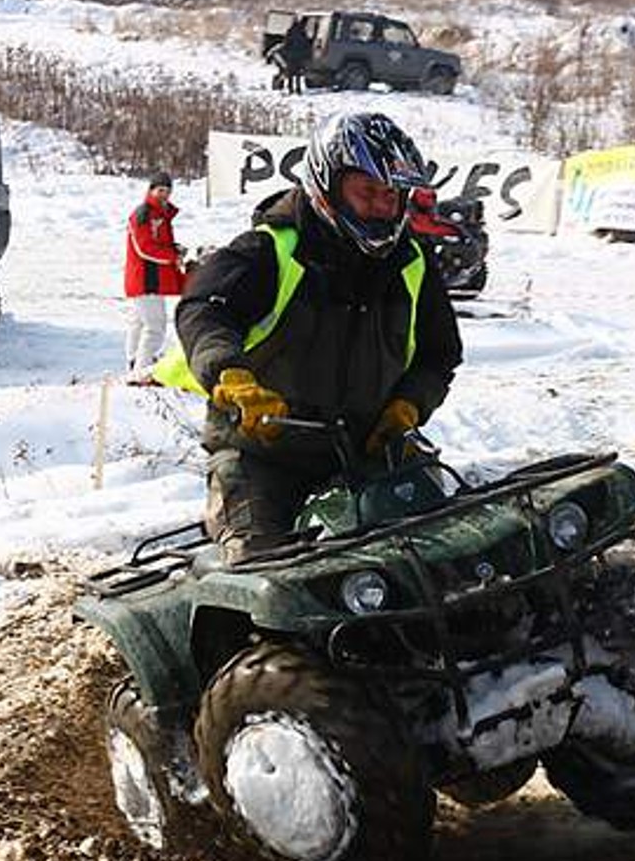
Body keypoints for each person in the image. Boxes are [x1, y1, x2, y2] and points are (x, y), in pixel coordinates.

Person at [154, 111, 462, 562]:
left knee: (449, 550)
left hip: (369, 446)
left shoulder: (410, 262)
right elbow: (204, 310)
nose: (382, 207)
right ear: (327, 185)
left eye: (392, 196)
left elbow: (440, 353)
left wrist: (410, 404)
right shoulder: (268, 249)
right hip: (263, 451)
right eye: (368, 193)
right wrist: (231, 375)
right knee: (266, 576)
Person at [122, 170, 187, 382]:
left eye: (167, 191)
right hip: (145, 279)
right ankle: (142, 370)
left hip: (147, 278)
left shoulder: (160, 214)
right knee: (155, 326)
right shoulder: (144, 214)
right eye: (160, 190)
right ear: (151, 189)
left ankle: (134, 363)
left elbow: (157, 243)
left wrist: (173, 248)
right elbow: (145, 248)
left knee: (139, 323)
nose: (164, 195)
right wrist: (172, 256)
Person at [279, 16, 313, 94]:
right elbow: (306, 44)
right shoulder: (302, 32)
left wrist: (285, 53)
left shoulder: (290, 31)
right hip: (299, 55)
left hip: (291, 55)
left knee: (290, 73)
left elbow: (286, 43)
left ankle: (290, 88)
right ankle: (298, 89)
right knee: (298, 74)